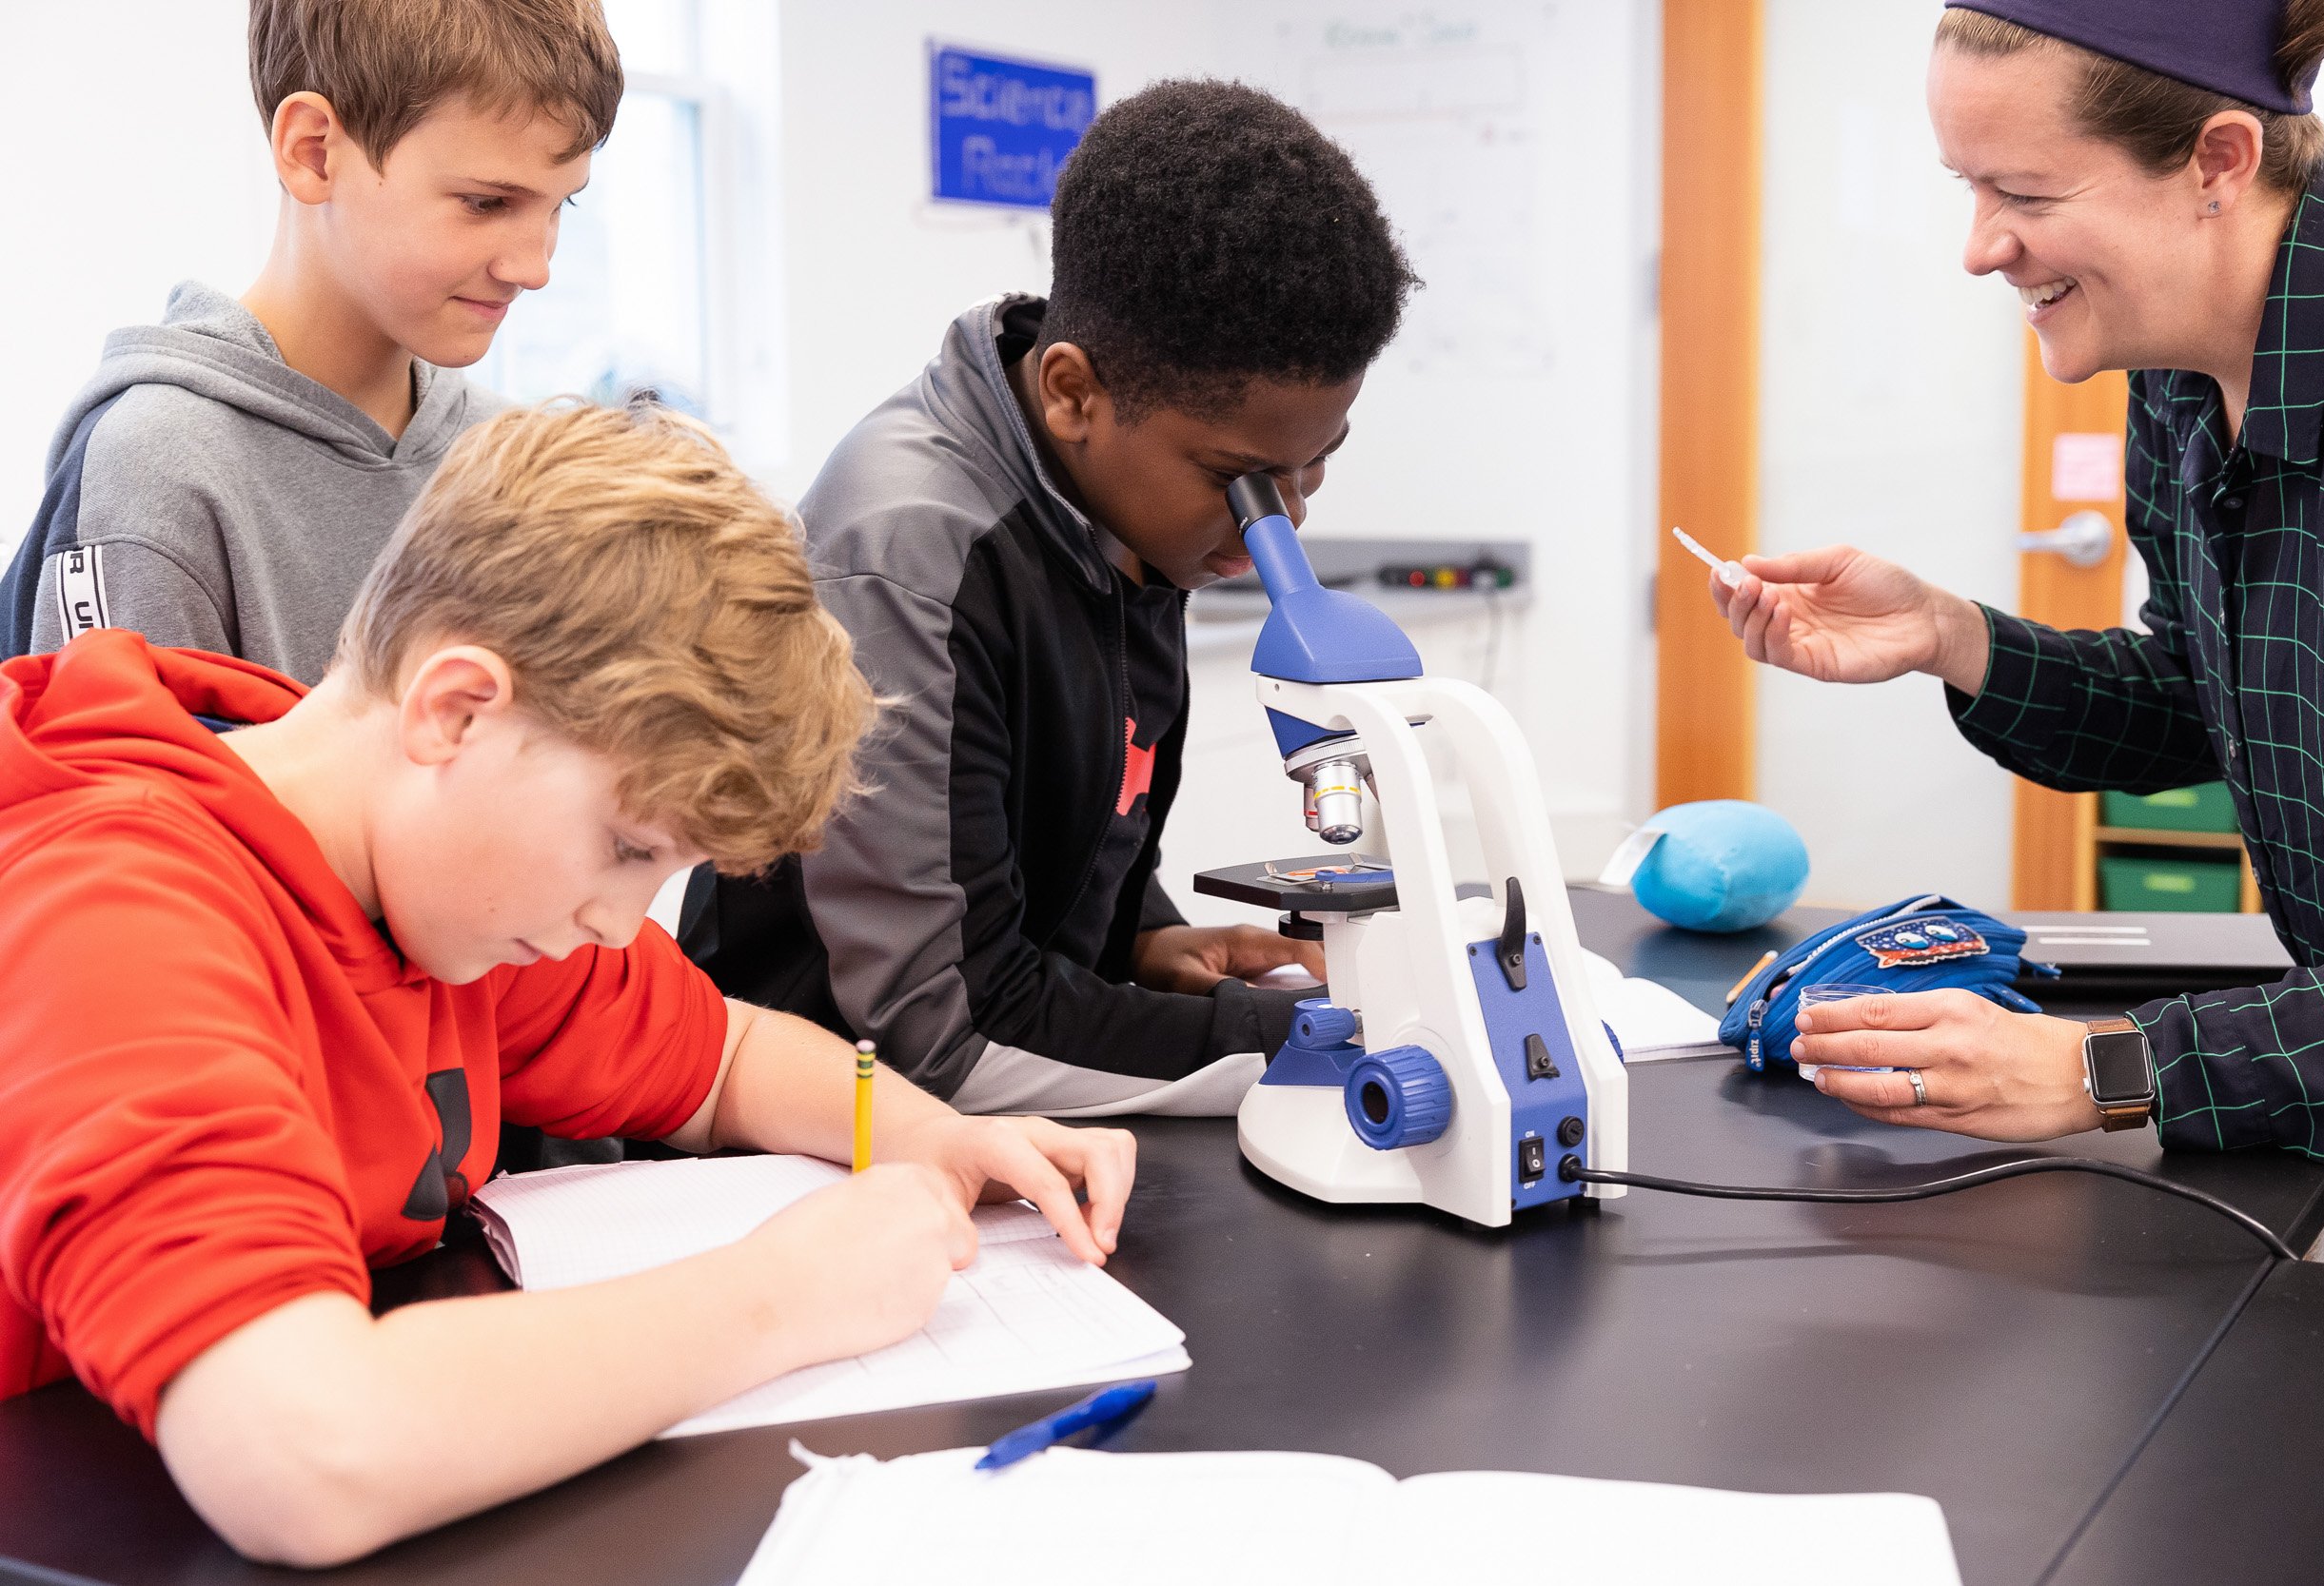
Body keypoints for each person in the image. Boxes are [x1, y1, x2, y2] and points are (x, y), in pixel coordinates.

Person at [0, 403, 1137, 1566]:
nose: (618, 919)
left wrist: (928, 1136)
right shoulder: (122, 907)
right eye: (628, 849)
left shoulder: (419, 888)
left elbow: (722, 1058)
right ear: (456, 710)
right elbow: (300, 1451)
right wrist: (788, 1293)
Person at [1715, 0, 2324, 1155]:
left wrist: (2107, 1068)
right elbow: (2199, 700)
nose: (1978, 244)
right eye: (1966, 188)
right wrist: (1946, 633)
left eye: (2023, 195)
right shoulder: (2179, 374)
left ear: (2216, 160)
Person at [683, 79, 1422, 1116]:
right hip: (826, 1133)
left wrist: (1142, 934)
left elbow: (1052, 822)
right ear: (1074, 392)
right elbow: (940, 1027)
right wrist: (1335, 1033)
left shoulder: (1123, 494)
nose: (1280, 529)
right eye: (1244, 481)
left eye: (1315, 465)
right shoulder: (909, 553)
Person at [0, 0, 618, 684]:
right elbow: (118, 787)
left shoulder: (514, 462)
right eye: (486, 203)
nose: (535, 268)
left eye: (562, 204)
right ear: (313, 152)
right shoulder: (156, 470)